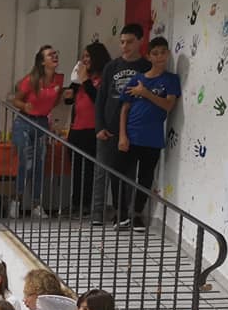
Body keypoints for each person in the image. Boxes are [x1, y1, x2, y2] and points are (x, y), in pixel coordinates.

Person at [116, 36, 181, 231]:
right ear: (149, 56)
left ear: (168, 54)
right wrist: (122, 135)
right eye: (155, 53)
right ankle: (121, 214)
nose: (160, 57)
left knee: (145, 177)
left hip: (152, 137)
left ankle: (137, 214)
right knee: (123, 174)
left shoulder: (171, 80)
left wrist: (145, 93)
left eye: (163, 53)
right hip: (131, 133)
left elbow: (168, 105)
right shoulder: (138, 79)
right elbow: (124, 109)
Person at [92, 23, 151, 226]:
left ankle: (125, 213)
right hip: (108, 128)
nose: (125, 46)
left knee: (128, 173)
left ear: (140, 41)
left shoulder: (145, 67)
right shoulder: (111, 67)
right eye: (122, 42)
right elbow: (101, 98)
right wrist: (99, 126)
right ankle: (97, 213)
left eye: (130, 42)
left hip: (132, 129)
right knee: (102, 171)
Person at [12, 45, 65, 218]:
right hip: (25, 121)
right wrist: (25, 105)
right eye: (50, 55)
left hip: (42, 122)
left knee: (39, 164)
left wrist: (62, 97)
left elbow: (54, 102)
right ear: (42, 62)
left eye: (55, 53)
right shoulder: (31, 80)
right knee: (26, 162)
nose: (54, 56)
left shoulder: (58, 79)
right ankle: (16, 200)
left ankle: (36, 204)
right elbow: (15, 100)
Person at [63, 42, 111, 217]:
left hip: (93, 130)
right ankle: (76, 203)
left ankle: (89, 204)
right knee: (76, 170)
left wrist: (85, 81)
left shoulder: (103, 78)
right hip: (76, 130)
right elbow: (70, 100)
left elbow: (99, 100)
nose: (84, 60)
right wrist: (69, 93)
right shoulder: (80, 78)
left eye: (88, 56)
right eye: (83, 56)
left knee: (90, 170)